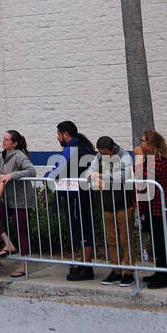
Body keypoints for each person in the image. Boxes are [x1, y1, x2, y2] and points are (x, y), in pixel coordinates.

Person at [49, 120, 97, 281]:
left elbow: (59, 169)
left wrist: (49, 176)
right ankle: (82, 263)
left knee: (82, 229)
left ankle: (86, 266)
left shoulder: (72, 149)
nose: (57, 137)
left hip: (77, 195)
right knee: (82, 228)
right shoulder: (84, 146)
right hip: (82, 193)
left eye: (58, 134)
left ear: (65, 134)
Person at [92, 137, 136, 286]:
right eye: (101, 153)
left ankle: (129, 272)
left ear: (113, 149)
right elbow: (90, 172)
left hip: (124, 203)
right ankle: (115, 270)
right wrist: (93, 177)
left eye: (106, 154)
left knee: (126, 238)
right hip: (107, 203)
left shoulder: (125, 156)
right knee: (111, 239)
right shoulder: (98, 156)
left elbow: (125, 175)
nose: (104, 157)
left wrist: (103, 176)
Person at [135, 129, 167, 289]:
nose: (140, 143)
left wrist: (138, 158)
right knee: (155, 242)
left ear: (149, 144)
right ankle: (159, 272)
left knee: (160, 242)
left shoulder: (156, 161)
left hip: (158, 208)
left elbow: (141, 179)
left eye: (143, 141)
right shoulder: (149, 160)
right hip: (150, 207)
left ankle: (164, 276)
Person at [0, 130, 36, 265]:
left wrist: (11, 175)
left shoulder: (19, 156)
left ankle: (24, 265)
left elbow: (32, 171)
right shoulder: (2, 155)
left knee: (21, 231)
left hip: (21, 200)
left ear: (14, 143)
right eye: (3, 138)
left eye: (7, 139)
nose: (3, 141)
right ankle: (8, 244)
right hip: (7, 199)